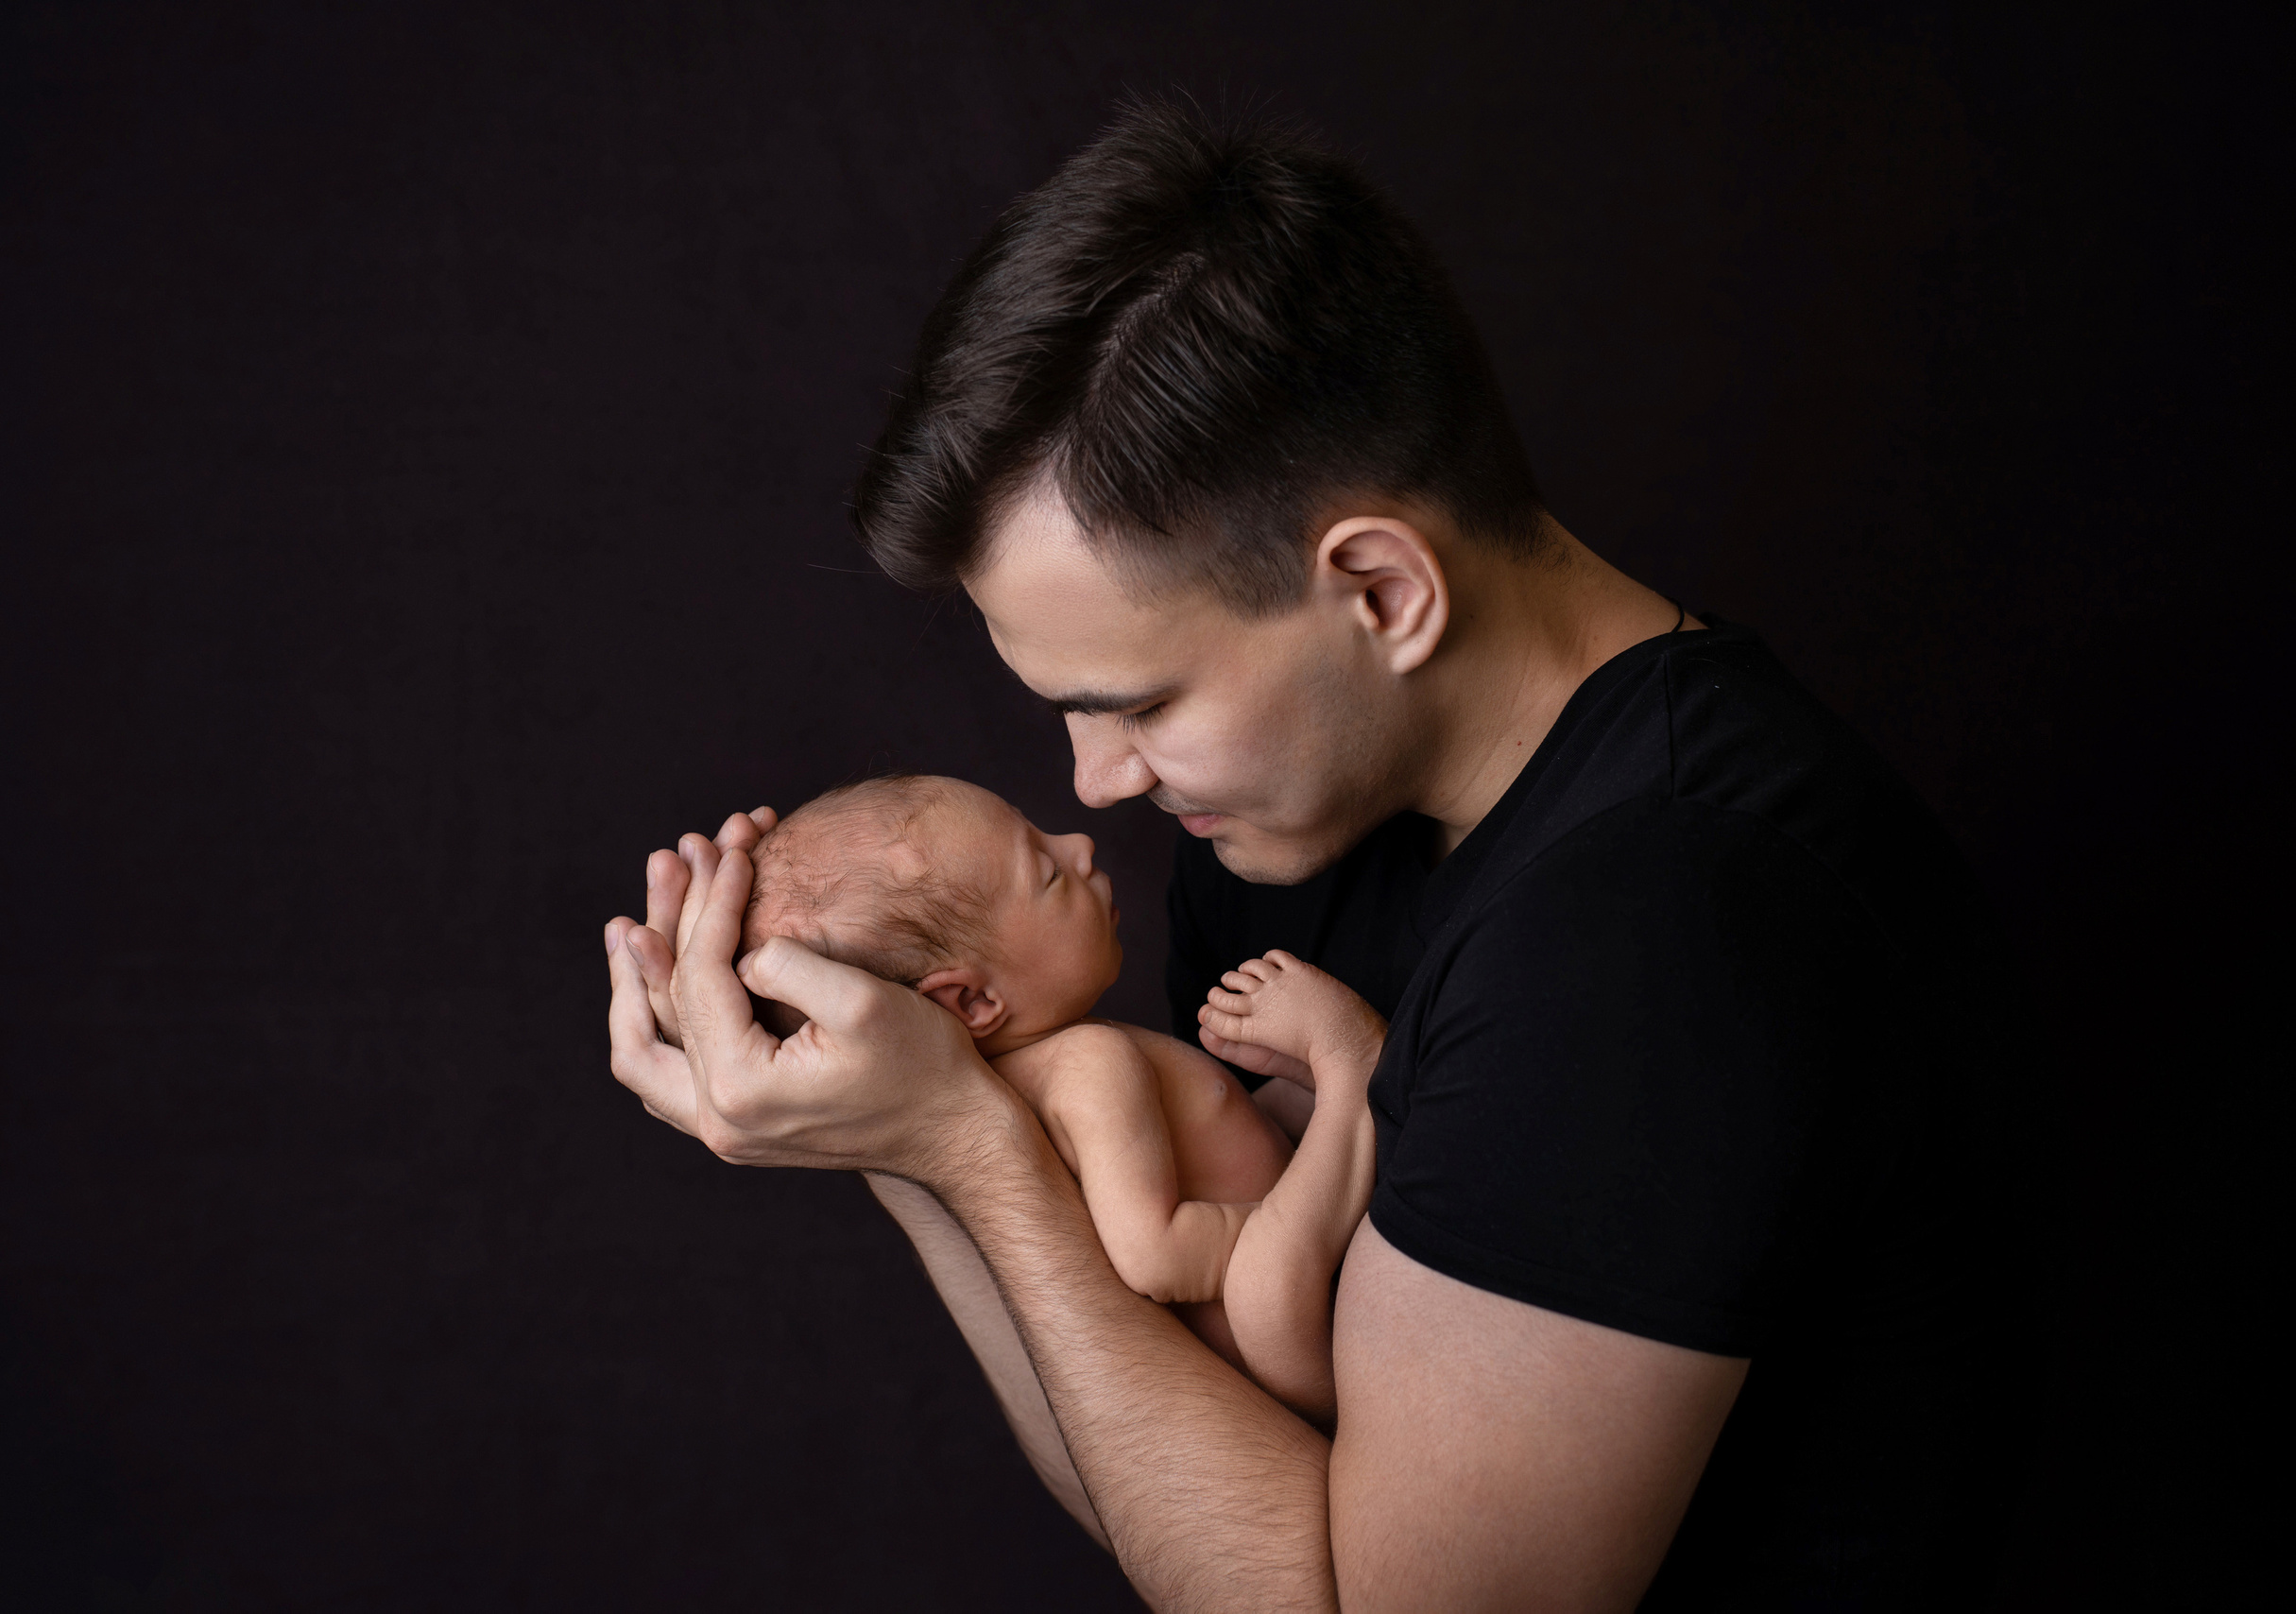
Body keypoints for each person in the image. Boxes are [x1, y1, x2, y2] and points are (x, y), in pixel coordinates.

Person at [606, 99, 2030, 1610]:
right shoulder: (1287, 846)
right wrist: (904, 1110)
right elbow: (1203, 1487)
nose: (1097, 783)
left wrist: (961, 1146)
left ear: (1381, 590)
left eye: (1138, 702)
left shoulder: (1662, 935)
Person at [739, 773, 1388, 1416]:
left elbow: (1212, 1162)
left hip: (1290, 1308)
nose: (1078, 844)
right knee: (1278, 1248)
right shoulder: (1089, 1064)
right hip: (1290, 1338)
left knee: (1290, 1113)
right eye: (1046, 871)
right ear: (973, 1000)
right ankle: (1353, 1070)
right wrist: (1287, 1219)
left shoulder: (1024, 1081)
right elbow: (1154, 1256)